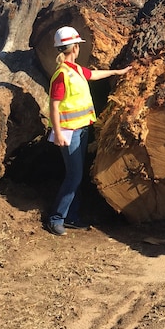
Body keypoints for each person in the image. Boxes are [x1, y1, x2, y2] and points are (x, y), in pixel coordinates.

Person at [45, 26, 131, 236]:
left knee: (77, 175)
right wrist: (57, 133)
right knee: (73, 176)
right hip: (68, 133)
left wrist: (117, 72)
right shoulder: (62, 74)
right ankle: (56, 218)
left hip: (81, 130)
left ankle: (72, 216)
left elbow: (92, 74)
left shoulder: (74, 70)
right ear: (74, 47)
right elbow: (54, 106)